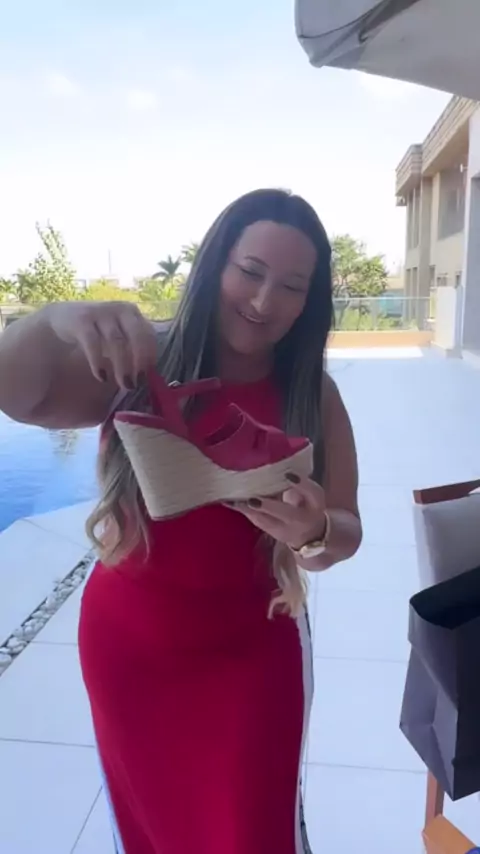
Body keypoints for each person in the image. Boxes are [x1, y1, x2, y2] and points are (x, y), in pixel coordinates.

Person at [0, 188, 362, 854]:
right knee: (153, 833)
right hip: (129, 648)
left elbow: (345, 532)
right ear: (215, 264)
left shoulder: (313, 392)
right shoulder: (139, 364)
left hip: (254, 654)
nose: (263, 301)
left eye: (291, 287)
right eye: (250, 272)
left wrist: (313, 534)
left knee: (255, 836)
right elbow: (16, 394)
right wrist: (51, 321)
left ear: (309, 303)